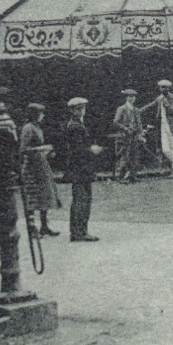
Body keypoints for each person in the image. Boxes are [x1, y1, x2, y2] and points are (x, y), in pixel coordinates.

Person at [61, 97, 105, 241]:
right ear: (73, 110)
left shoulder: (76, 124)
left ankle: (78, 231)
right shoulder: (75, 126)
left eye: (83, 108)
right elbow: (78, 149)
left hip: (79, 168)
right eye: (79, 109)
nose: (82, 111)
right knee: (82, 200)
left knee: (81, 199)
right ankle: (79, 232)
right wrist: (92, 150)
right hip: (81, 168)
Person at [20, 103, 61, 237]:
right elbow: (24, 149)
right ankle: (32, 229)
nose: (42, 115)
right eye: (40, 113)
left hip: (41, 164)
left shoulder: (37, 127)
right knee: (32, 197)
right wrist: (42, 149)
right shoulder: (28, 128)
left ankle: (44, 226)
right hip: (31, 167)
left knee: (45, 194)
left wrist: (47, 152)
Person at [112, 88, 144, 183]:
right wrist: (125, 129)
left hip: (134, 136)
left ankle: (132, 176)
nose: (132, 98)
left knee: (134, 156)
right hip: (124, 136)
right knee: (124, 156)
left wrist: (140, 134)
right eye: (130, 96)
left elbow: (139, 124)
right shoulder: (121, 109)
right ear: (126, 98)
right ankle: (120, 176)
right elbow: (116, 122)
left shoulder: (136, 110)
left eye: (133, 97)